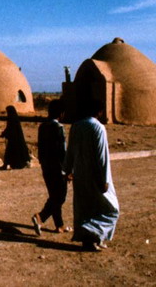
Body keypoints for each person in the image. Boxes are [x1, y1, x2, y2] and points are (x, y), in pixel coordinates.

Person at [64, 99, 120, 252]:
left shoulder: (76, 126)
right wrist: (104, 179)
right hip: (96, 175)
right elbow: (102, 156)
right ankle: (89, 231)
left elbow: (70, 150)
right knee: (112, 210)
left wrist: (68, 169)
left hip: (80, 174)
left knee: (87, 208)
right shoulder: (98, 128)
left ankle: (92, 240)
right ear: (99, 112)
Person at [31, 100, 71, 236]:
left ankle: (59, 225)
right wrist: (67, 170)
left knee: (54, 196)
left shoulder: (42, 127)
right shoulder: (58, 128)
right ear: (61, 113)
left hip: (47, 167)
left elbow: (41, 149)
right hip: (58, 169)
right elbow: (62, 152)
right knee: (60, 197)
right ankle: (40, 217)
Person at [0, 105, 31, 169]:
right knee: (18, 152)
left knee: (10, 153)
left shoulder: (12, 119)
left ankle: (7, 165)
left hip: (14, 140)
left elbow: (10, 129)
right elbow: (9, 128)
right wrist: (5, 133)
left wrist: (5, 134)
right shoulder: (14, 118)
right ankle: (21, 163)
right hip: (16, 139)